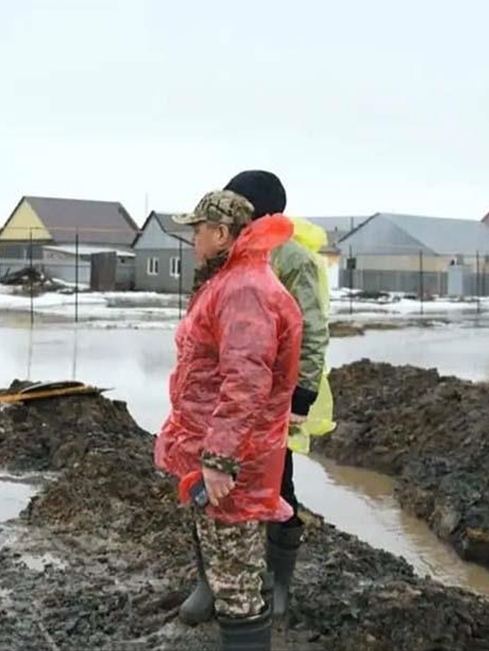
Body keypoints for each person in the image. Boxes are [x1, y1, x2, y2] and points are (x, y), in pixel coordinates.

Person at [178, 170, 334, 625]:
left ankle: (275, 584)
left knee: (275, 487)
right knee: (209, 490)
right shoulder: (229, 256)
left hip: (274, 402)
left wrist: (300, 400)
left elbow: (312, 330)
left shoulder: (290, 259)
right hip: (223, 402)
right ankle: (212, 582)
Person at [154, 189, 303, 651]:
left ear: (221, 234)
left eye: (197, 231)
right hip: (217, 448)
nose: (192, 241)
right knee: (228, 568)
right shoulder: (233, 279)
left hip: (233, 463)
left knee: (236, 583)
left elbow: (246, 382)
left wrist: (219, 459)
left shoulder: (244, 290)